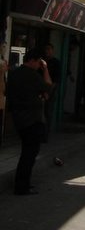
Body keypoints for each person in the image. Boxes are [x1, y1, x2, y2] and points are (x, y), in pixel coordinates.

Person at [5, 49, 52, 195]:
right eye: (38, 62)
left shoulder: (14, 74)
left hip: (18, 118)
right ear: (32, 60)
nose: (39, 65)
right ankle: (22, 186)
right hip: (32, 119)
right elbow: (48, 87)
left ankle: (22, 183)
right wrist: (45, 69)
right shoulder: (32, 75)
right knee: (29, 153)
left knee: (27, 151)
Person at [42, 43, 61, 143]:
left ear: (52, 50)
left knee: (48, 113)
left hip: (51, 91)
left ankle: (45, 135)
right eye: (46, 49)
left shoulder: (56, 63)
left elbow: (56, 80)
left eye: (49, 49)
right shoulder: (41, 62)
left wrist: (49, 91)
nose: (47, 51)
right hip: (41, 90)